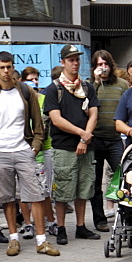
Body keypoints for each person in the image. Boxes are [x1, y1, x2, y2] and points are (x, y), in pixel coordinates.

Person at [0, 52, 56, 256]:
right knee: (7, 197)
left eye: (9, 67)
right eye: (2, 68)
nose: (6, 71)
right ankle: (13, 239)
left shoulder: (25, 90)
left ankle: (42, 240)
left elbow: (38, 122)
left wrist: (36, 146)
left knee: (36, 195)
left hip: (24, 149)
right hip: (0, 150)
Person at [43, 44, 101, 245]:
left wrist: (85, 138)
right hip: (64, 146)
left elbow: (94, 113)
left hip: (86, 145)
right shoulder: (53, 89)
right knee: (63, 190)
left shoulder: (87, 87)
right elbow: (56, 119)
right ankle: (60, 228)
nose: (75, 63)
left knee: (84, 187)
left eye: (77, 59)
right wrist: (81, 133)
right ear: (62, 62)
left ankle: (80, 226)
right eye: (70, 60)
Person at [89, 50, 128, 232]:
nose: (103, 68)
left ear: (111, 66)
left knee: (124, 176)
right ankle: (100, 219)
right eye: (99, 65)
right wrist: (96, 83)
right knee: (95, 182)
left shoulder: (122, 84)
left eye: (105, 64)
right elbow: (86, 106)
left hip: (115, 139)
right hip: (95, 138)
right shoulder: (89, 86)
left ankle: (128, 214)